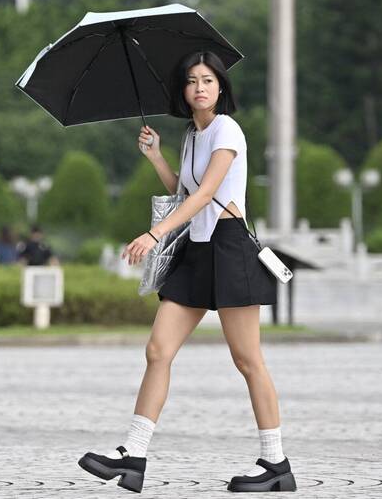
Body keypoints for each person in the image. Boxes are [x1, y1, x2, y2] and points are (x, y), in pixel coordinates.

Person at [77, 51, 292, 493]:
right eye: (192, 81)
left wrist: (154, 235)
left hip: (230, 248)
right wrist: (156, 156)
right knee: (158, 351)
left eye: (208, 80)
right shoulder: (192, 135)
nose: (200, 88)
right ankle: (133, 456)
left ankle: (276, 464)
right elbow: (184, 191)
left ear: (220, 87)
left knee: (248, 360)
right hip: (196, 250)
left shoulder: (226, 130)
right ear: (183, 91)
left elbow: (209, 192)